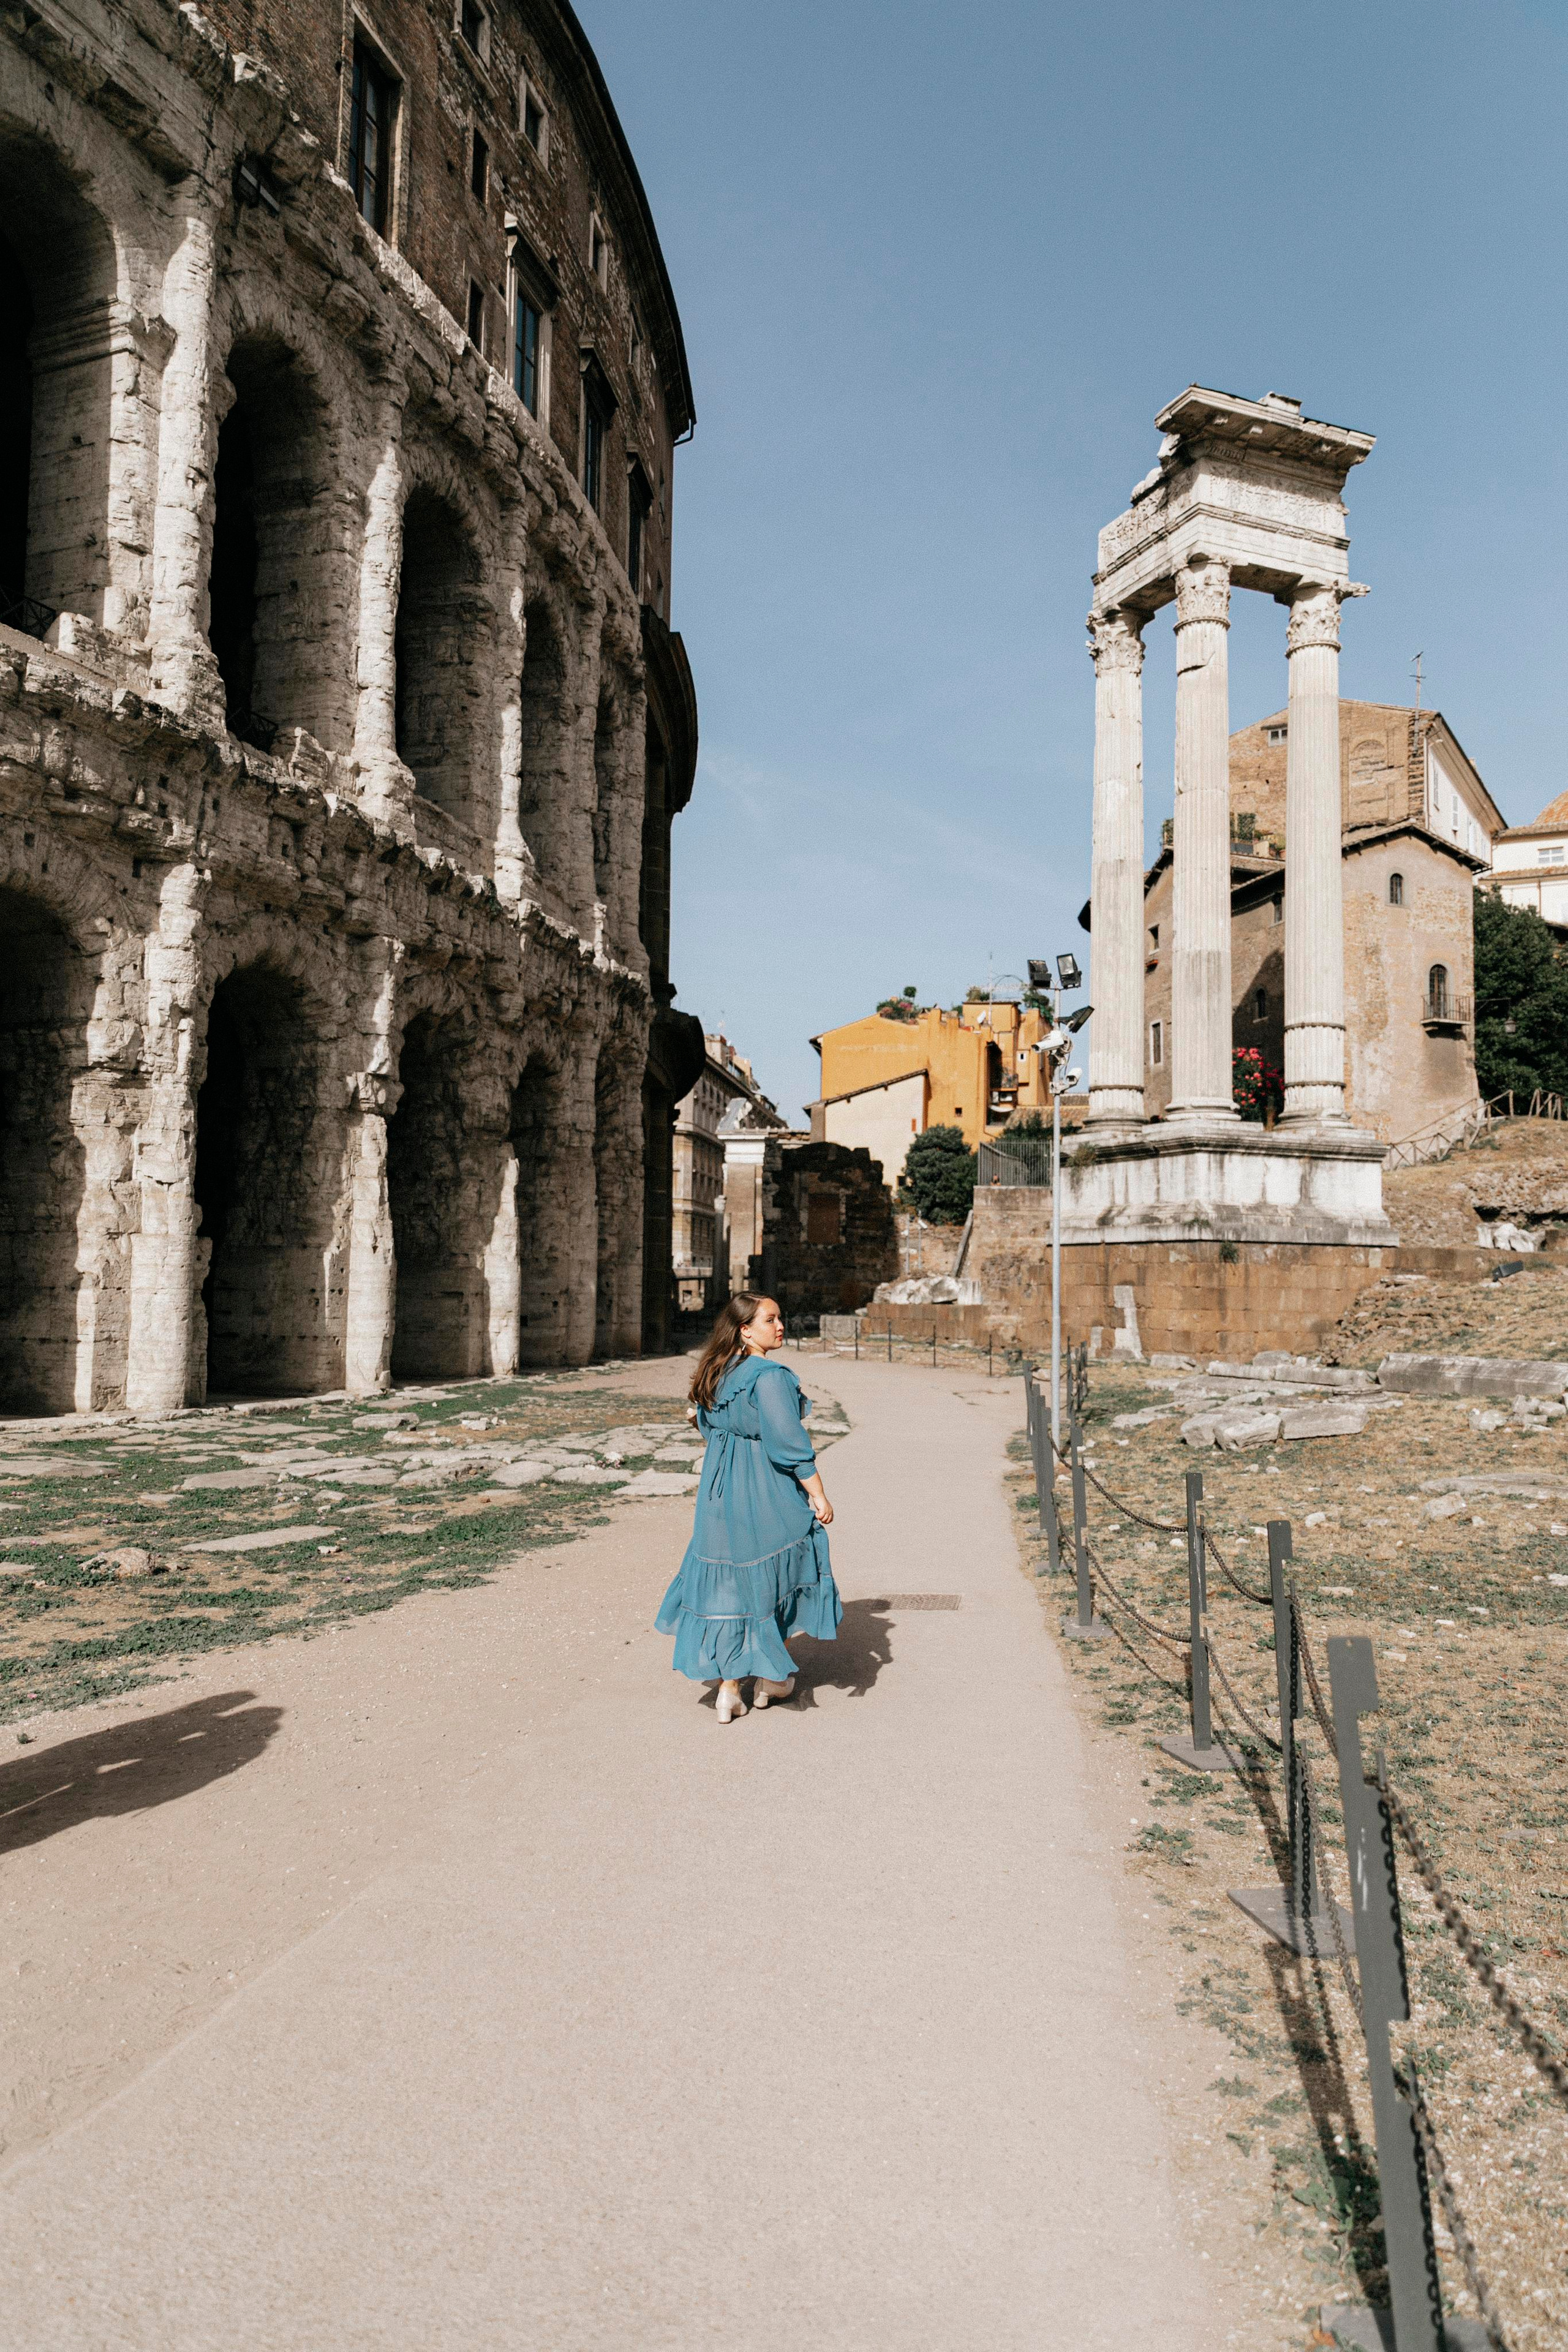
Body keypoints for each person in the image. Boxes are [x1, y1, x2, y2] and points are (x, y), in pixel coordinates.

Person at [655, 1292, 841, 1722]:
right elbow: (788, 1445)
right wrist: (817, 1492)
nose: (780, 1327)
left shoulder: (717, 1371)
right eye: (770, 1320)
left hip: (719, 1495)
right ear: (745, 1329)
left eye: (780, 1319)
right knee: (789, 1569)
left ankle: (730, 1690)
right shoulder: (770, 1376)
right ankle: (772, 1678)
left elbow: (707, 1426)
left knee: (731, 1584)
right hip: (765, 1489)